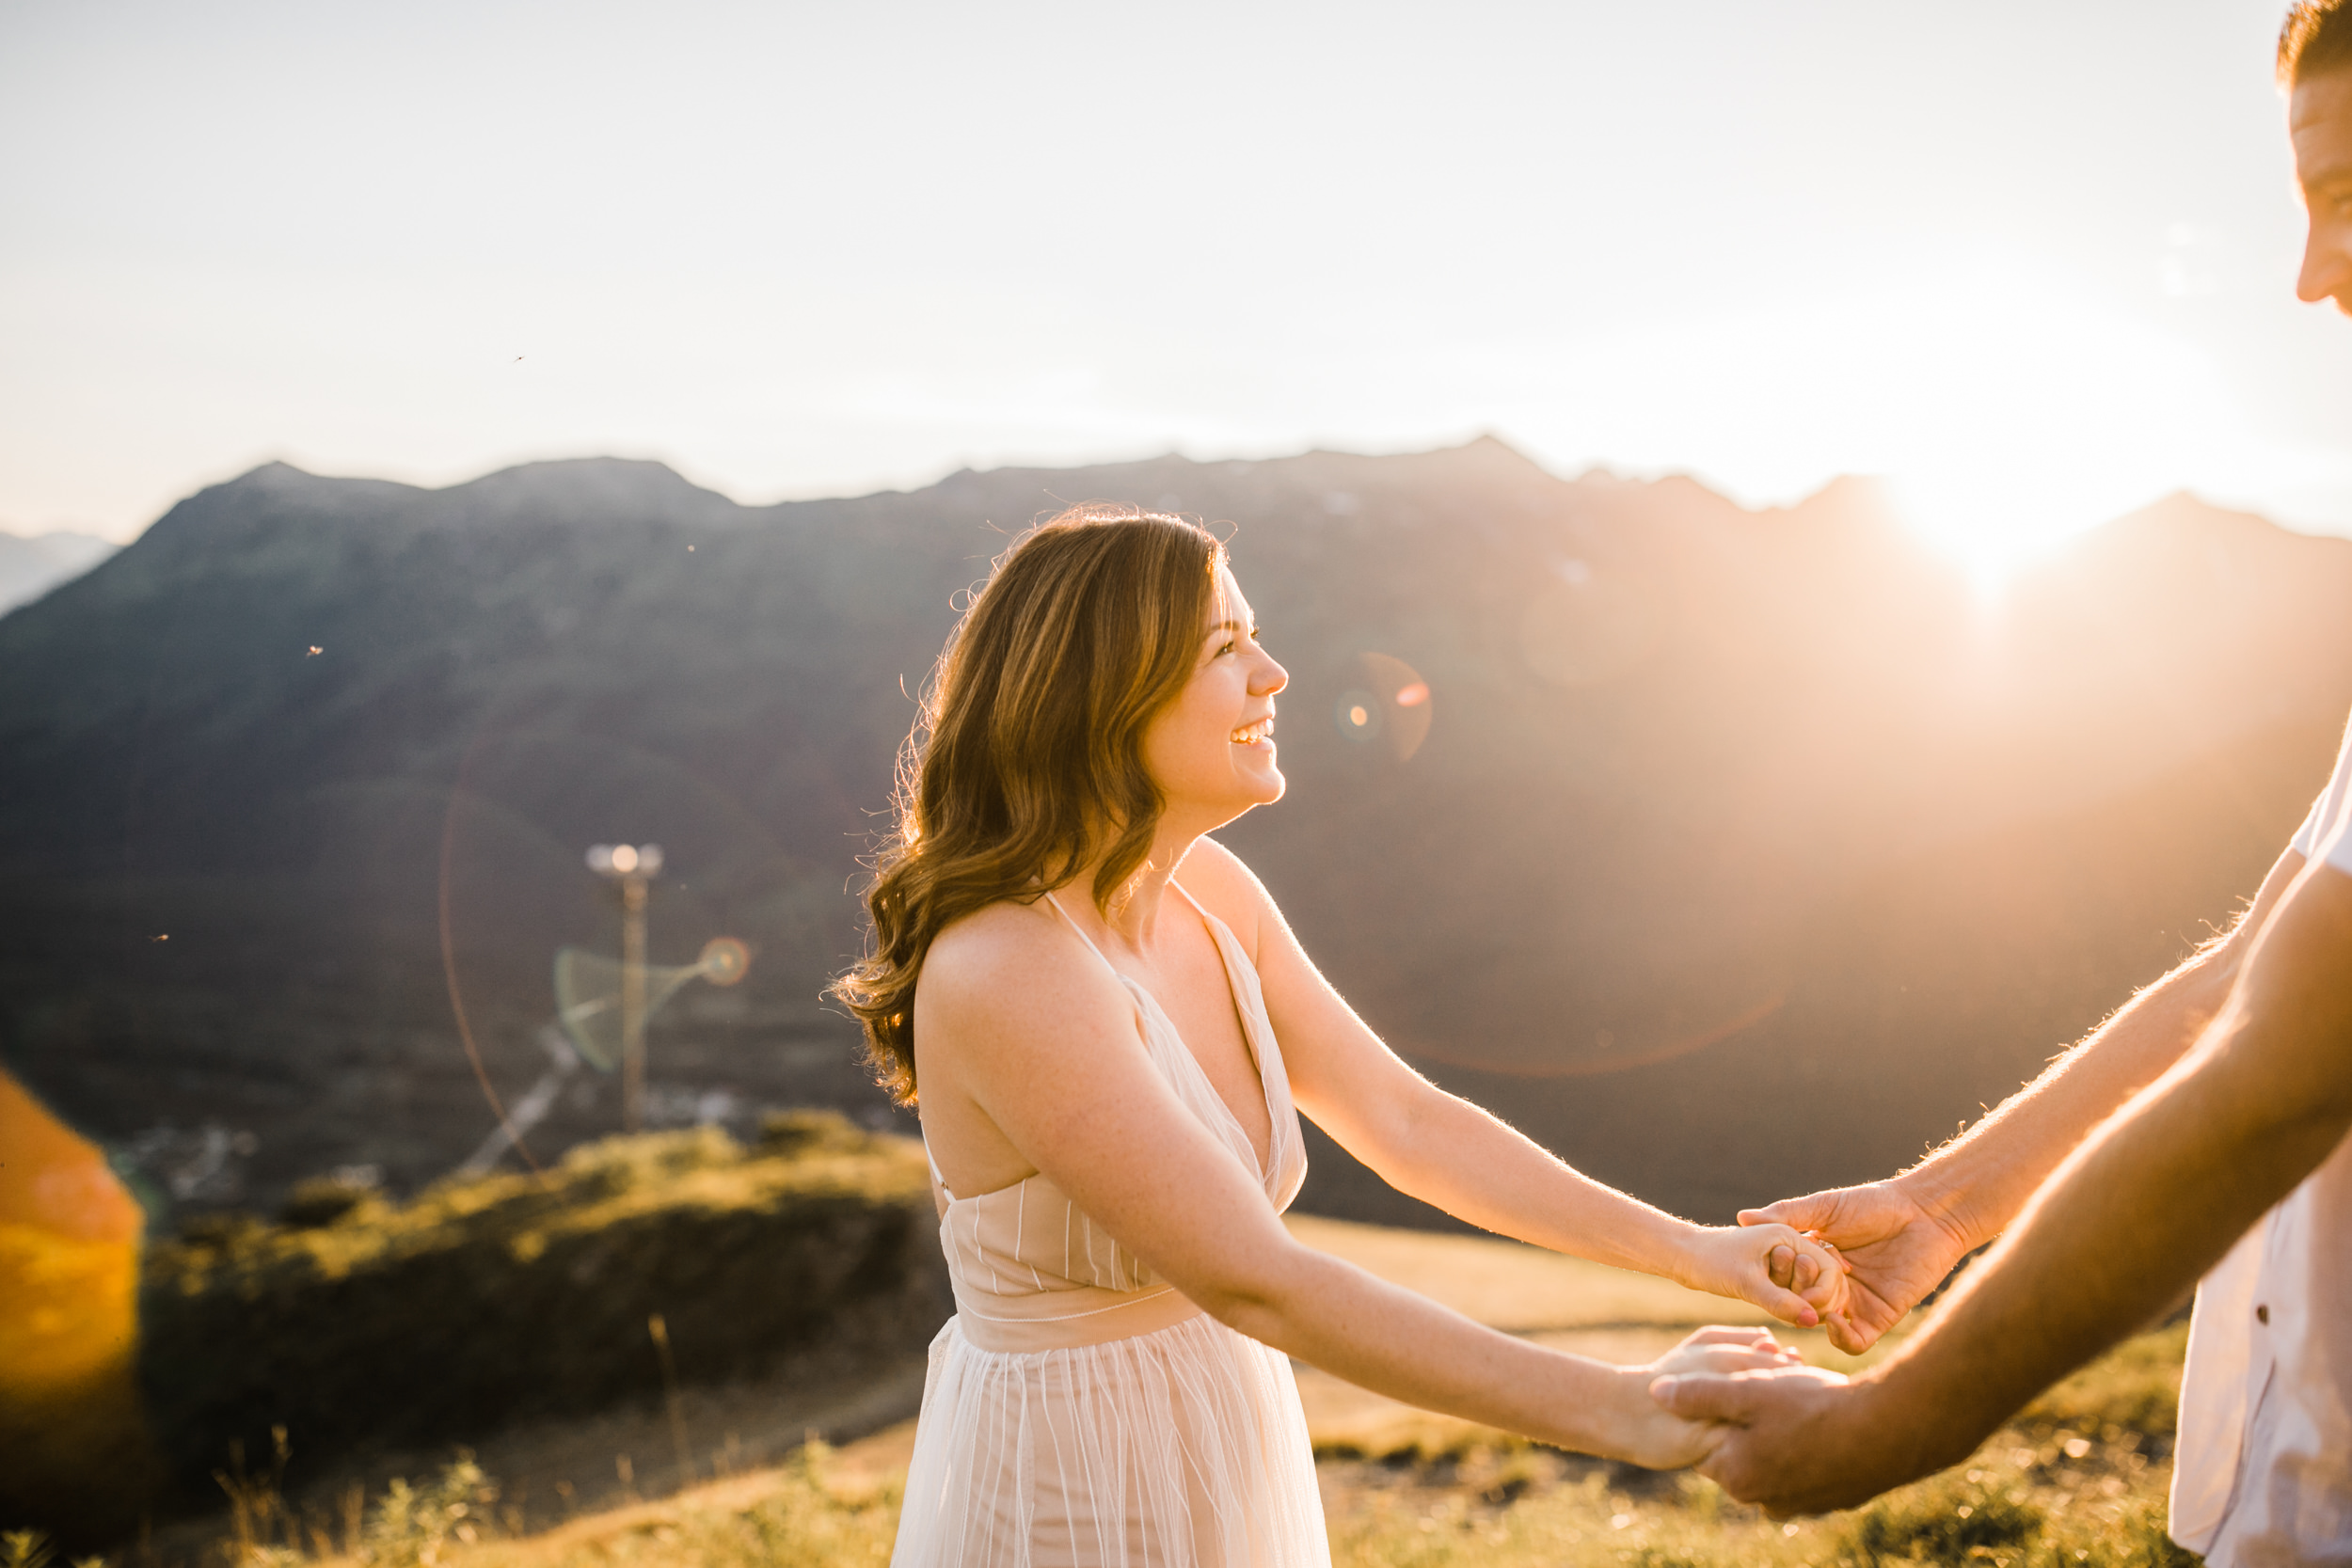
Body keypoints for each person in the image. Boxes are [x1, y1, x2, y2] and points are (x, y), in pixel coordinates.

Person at [1650, 8, 2352, 1556]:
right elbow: (2259, 979)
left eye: (2347, 197)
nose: (2309, 277)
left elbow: (2280, 1079)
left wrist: (1883, 1426)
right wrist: (1950, 1205)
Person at [831, 506, 1851, 1566]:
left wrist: (1694, 1252)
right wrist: (1627, 1408)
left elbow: (1409, 1122)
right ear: (1102, 693)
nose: (1273, 675)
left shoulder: (1213, 895)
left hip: (1226, 1444)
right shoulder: (1007, 966)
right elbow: (1257, 1276)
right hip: (1066, 1493)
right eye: (1226, 649)